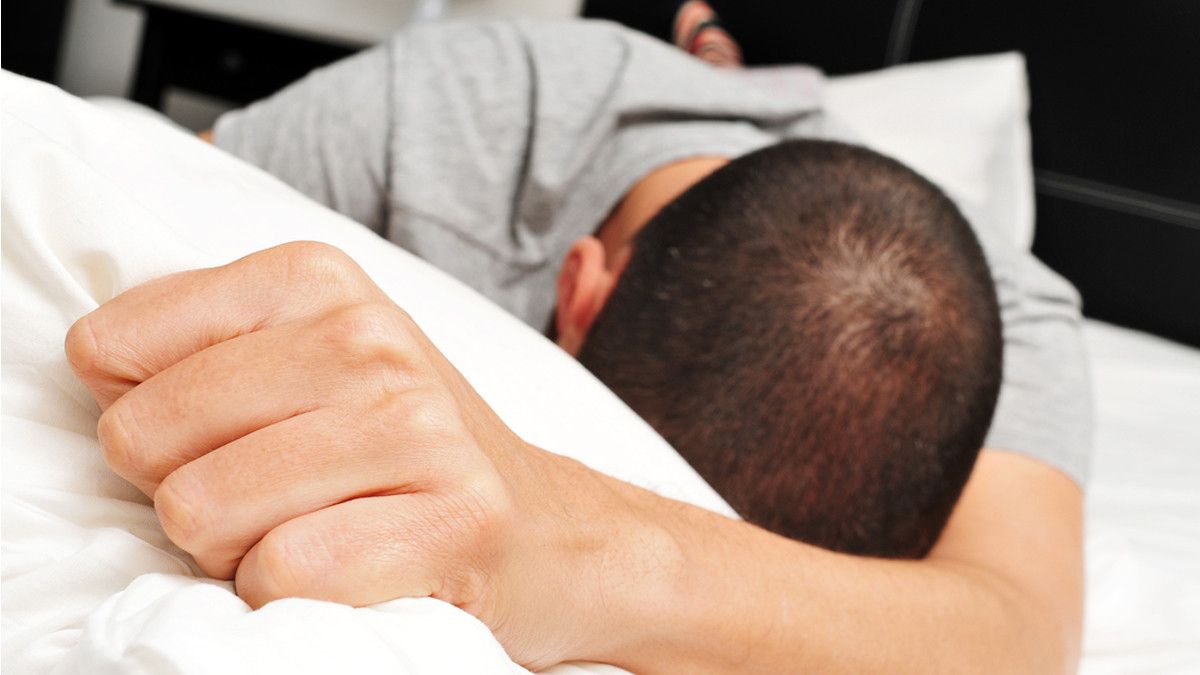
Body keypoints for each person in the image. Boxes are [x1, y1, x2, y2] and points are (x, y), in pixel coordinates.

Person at [70, 17, 1090, 673]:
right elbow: (115, 201)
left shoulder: (1004, 319)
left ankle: (719, 55)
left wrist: (575, 543)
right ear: (577, 289)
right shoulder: (476, 102)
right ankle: (707, 53)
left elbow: (1017, 636)